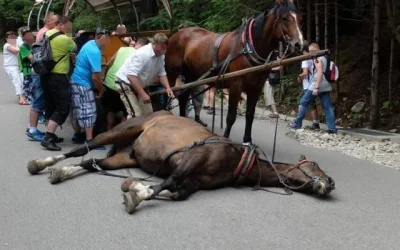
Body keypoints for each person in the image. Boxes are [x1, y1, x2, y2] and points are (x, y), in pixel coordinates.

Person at [40, 15, 77, 151]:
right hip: (58, 77)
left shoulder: (46, 34)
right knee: (63, 106)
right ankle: (48, 137)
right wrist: (68, 35)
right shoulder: (64, 39)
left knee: (51, 105)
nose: (69, 29)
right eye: (68, 26)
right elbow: (74, 48)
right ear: (61, 25)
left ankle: (50, 134)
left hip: (45, 75)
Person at [115, 33, 174, 117]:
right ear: (154, 44)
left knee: (148, 113)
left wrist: (168, 88)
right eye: (162, 48)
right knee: (136, 114)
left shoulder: (161, 55)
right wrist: (142, 94)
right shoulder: (143, 54)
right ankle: (133, 129)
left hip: (139, 83)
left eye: (165, 49)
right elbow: (131, 76)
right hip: (125, 82)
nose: (164, 51)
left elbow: (162, 73)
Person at [70, 29, 111, 149]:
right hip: (83, 83)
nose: (107, 43)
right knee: (89, 110)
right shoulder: (95, 52)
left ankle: (77, 135)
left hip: (75, 80)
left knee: (78, 108)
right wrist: (102, 90)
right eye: (107, 40)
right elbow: (95, 77)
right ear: (100, 39)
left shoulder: (89, 43)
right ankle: (89, 141)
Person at [290, 43, 337, 134]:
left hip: (316, 85)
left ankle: (297, 123)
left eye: (312, 51)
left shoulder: (317, 60)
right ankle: (332, 129)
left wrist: (316, 87)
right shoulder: (326, 59)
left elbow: (319, 73)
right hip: (326, 85)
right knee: (328, 107)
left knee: (304, 102)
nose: (310, 53)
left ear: (316, 50)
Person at [104, 37, 149, 125]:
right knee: (128, 112)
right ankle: (122, 134)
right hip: (121, 85)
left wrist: (105, 78)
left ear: (136, 43)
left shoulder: (122, 49)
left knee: (111, 110)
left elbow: (108, 64)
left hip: (109, 83)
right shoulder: (140, 54)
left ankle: (109, 131)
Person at [18, 29, 46, 141]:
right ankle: (31, 129)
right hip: (30, 74)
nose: (30, 37)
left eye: (31, 35)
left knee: (38, 100)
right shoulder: (24, 47)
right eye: (27, 35)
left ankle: (32, 127)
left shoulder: (35, 44)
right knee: (35, 100)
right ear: (24, 37)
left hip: (36, 73)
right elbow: (32, 58)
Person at [297, 50, 320, 130]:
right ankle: (315, 123)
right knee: (312, 104)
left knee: (301, 102)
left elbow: (305, 72)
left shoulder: (305, 60)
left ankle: (298, 122)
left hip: (308, 85)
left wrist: (300, 76)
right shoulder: (315, 59)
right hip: (314, 84)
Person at [3, 31, 27, 105]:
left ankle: (23, 96)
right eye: (10, 38)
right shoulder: (7, 45)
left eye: (13, 37)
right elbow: (16, 51)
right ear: (6, 39)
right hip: (10, 67)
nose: (12, 39)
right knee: (17, 81)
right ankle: (21, 98)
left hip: (17, 66)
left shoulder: (16, 44)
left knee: (22, 80)